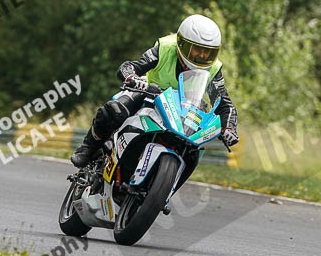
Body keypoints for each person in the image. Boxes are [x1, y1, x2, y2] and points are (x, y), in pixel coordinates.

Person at [70, 14, 239, 168]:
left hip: (184, 109)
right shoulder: (165, 47)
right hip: (150, 94)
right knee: (114, 110)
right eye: (197, 50)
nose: (202, 56)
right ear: (181, 43)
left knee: (194, 149)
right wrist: (132, 78)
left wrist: (229, 128)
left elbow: (224, 103)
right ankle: (88, 148)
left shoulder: (214, 68)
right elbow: (131, 66)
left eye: (208, 52)